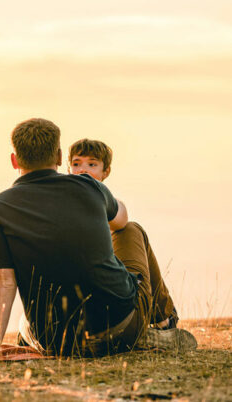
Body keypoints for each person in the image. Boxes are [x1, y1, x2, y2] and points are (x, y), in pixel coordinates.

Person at [0, 118, 196, 365]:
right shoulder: (91, 186)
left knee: (24, 324)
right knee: (133, 230)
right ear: (60, 157)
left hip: (58, 342)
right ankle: (164, 322)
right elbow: (122, 221)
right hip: (121, 323)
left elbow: (2, 280)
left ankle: (140, 332)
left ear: (14, 160)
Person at [68, 138, 178, 329]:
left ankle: (162, 316)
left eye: (92, 164)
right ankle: (163, 318)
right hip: (101, 299)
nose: (83, 170)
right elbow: (122, 223)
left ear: (106, 171)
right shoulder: (88, 203)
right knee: (132, 230)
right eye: (76, 164)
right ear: (68, 168)